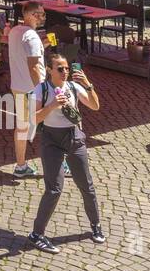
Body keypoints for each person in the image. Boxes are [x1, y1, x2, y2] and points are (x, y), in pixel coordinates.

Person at [27, 49, 105, 253]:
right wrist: (52, 106)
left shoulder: (74, 86)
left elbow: (95, 106)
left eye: (67, 68)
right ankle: (36, 234)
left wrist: (88, 84)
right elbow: (34, 119)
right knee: (54, 189)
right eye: (60, 69)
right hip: (51, 140)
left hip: (74, 138)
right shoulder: (41, 90)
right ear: (50, 70)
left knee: (86, 185)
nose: (65, 72)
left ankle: (96, 225)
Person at [9, 0, 47, 178]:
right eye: (41, 13)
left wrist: (41, 46)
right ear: (32, 15)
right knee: (54, 124)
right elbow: (33, 66)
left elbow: (24, 54)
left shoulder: (16, 31)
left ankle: (21, 165)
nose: (43, 17)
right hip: (32, 90)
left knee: (22, 127)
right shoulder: (32, 36)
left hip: (18, 86)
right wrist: (43, 90)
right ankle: (60, 164)